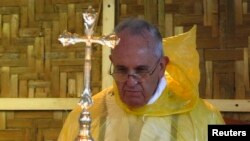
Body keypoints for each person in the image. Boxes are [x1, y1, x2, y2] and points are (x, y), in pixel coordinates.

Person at [58, 18, 225, 141]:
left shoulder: (206, 118)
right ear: (112, 63)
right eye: (121, 70)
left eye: (141, 70)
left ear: (161, 67)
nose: (130, 82)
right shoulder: (86, 115)